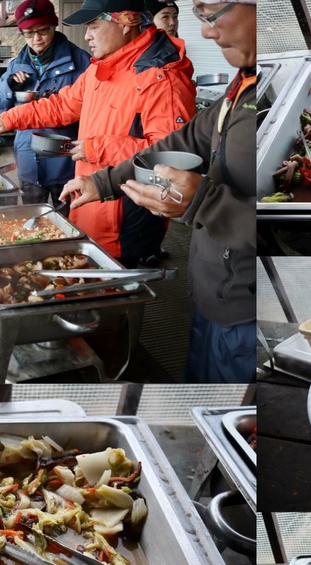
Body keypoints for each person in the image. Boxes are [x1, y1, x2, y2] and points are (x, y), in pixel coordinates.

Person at [60, 0, 257, 383]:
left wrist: (203, 202)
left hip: (246, 303)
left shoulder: (161, 75)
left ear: (128, 20)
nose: (204, 31)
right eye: (199, 16)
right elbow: (182, 143)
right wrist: (102, 182)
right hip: (212, 289)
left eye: (212, 14)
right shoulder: (241, 84)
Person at [0, 0, 196, 267]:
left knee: (117, 295)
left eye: (93, 26)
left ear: (126, 22)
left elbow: (170, 159)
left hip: (124, 219)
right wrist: (10, 118)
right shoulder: (101, 68)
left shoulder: (161, 78)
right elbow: (63, 104)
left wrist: (96, 149)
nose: (87, 36)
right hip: (90, 203)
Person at [0, 0, 91, 206]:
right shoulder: (17, 64)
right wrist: (9, 85)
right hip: (28, 161)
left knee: (69, 226)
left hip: (66, 163)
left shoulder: (82, 62)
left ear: (55, 25)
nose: (36, 39)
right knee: (32, 224)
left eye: (43, 30)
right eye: (28, 33)